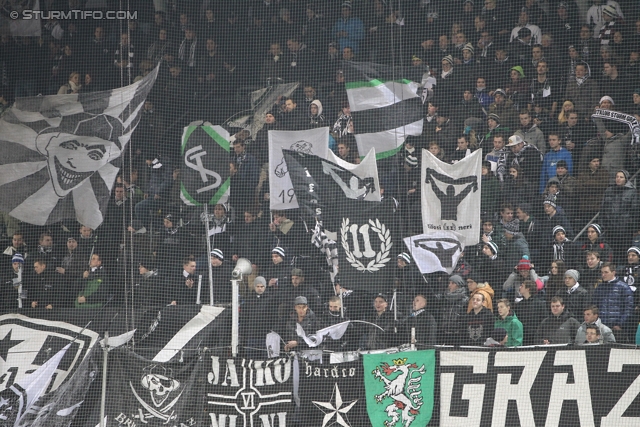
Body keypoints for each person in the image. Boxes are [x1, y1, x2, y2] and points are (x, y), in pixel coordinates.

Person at [594, 263, 634, 341]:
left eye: (606, 272)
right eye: (602, 272)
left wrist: (620, 324)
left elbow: (629, 308)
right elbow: (595, 306)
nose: (603, 275)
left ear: (613, 272)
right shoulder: (599, 288)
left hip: (617, 329)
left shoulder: (624, 287)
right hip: (602, 327)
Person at [514, 280, 548, 345]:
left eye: (522, 286)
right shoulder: (519, 305)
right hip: (523, 337)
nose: (520, 287)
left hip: (536, 337)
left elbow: (544, 320)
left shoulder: (540, 304)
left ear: (528, 289)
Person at [437, 275, 469, 345]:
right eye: (449, 283)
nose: (450, 285)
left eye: (453, 283)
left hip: (458, 335)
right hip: (443, 333)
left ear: (458, 285)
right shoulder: (443, 298)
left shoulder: (465, 300)